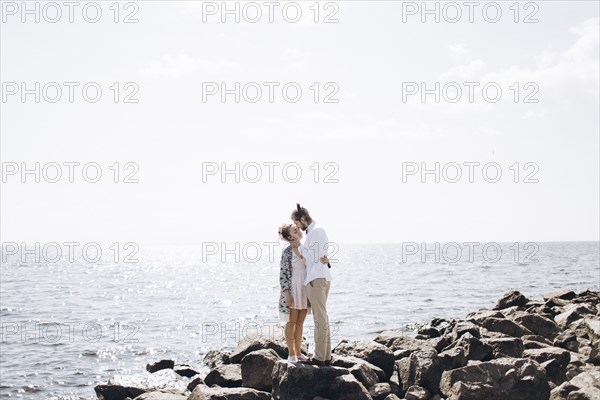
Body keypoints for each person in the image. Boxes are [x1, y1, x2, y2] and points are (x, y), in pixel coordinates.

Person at [288, 204, 333, 366]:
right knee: (322, 317)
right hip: (320, 277)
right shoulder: (315, 232)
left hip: (316, 279)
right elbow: (319, 255)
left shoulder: (316, 231)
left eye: (297, 223)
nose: (297, 227)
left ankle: (321, 357)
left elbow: (312, 257)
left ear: (302, 218)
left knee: (319, 318)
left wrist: (299, 246)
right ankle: (326, 356)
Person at [278, 223, 311, 364]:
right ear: (289, 236)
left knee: (300, 323)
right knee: (291, 323)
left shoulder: (305, 248)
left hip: (304, 288)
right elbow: (283, 273)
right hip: (292, 289)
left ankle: (298, 353)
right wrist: (286, 293)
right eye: (294, 229)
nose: (297, 229)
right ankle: (291, 354)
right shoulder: (287, 252)